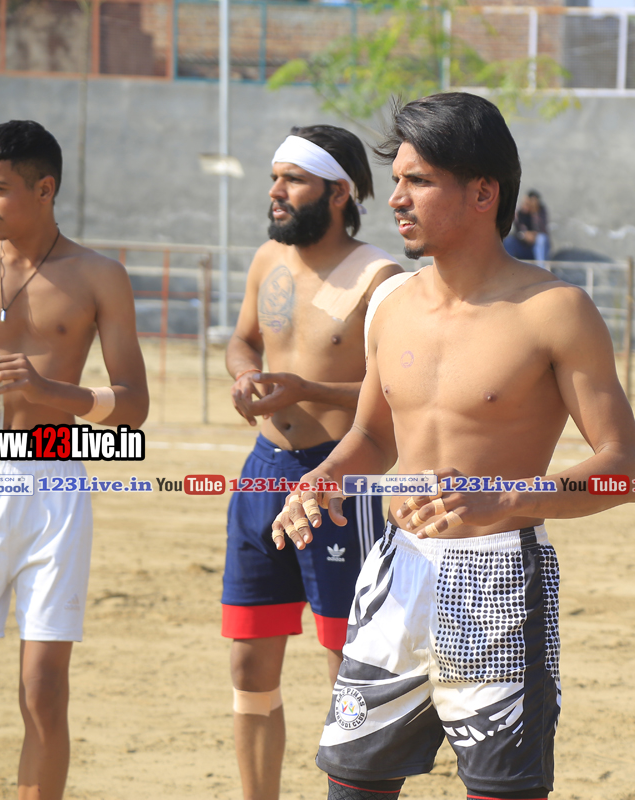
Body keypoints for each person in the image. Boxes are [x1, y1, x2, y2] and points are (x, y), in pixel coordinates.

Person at [269, 92, 635, 800]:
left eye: (418, 181)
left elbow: (624, 469)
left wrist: (502, 498)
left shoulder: (555, 311)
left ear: (482, 192)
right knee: (351, 787)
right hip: (397, 569)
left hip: (499, 580)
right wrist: (321, 477)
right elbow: (373, 435)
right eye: (397, 180)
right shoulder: (392, 304)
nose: (396, 199)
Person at [0, 120, 148, 800]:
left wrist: (48, 390)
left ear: (45, 188)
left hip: (53, 474)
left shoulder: (99, 275)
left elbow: (134, 407)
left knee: (43, 692)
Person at [224, 124, 403, 800]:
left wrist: (308, 390)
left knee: (344, 663)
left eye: (292, 179)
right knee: (248, 663)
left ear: (337, 193)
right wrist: (245, 375)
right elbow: (242, 340)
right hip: (263, 470)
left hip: (340, 476)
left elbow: (397, 392)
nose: (275, 191)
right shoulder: (267, 259)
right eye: (275, 177)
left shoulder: (381, 278)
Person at [503, 190, 550, 264]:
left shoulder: (541, 211)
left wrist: (534, 212)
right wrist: (524, 235)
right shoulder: (519, 212)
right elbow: (517, 230)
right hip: (522, 246)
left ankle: (541, 267)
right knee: (509, 240)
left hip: (536, 247)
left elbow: (542, 230)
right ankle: (506, 266)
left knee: (542, 238)